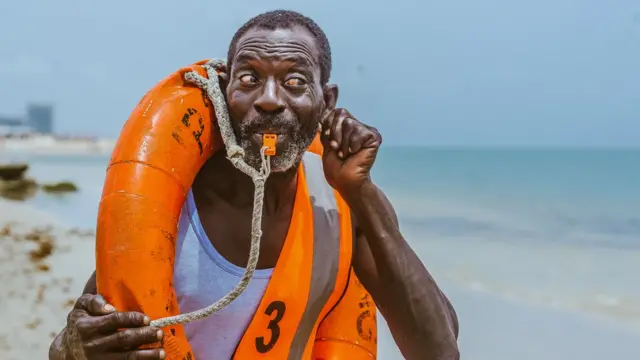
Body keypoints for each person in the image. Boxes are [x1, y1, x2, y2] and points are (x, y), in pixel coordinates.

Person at [48, 9, 459, 360]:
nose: (269, 99)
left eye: (295, 82)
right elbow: (74, 341)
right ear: (225, 90)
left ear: (327, 100)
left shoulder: (338, 210)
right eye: (249, 78)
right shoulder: (178, 201)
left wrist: (360, 189)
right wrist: (71, 346)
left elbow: (439, 350)